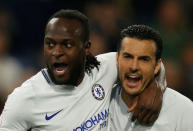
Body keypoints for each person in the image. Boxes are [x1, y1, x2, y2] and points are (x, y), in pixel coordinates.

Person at [0, 10, 166, 131]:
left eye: (67, 44)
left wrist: (155, 85)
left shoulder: (105, 67)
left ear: (86, 48)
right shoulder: (24, 99)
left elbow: (150, 62)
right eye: (50, 44)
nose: (56, 52)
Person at [110, 25, 193, 131]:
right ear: (117, 59)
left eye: (144, 59)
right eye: (128, 57)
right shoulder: (102, 102)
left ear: (157, 66)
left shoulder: (184, 110)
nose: (134, 66)